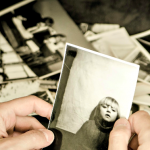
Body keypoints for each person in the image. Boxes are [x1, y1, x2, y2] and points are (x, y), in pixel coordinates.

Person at [0, 96, 150, 150]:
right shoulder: (89, 124)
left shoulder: (122, 134)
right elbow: (77, 140)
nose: (109, 110)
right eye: (105, 107)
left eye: (113, 109)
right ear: (98, 109)